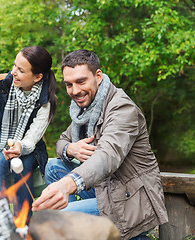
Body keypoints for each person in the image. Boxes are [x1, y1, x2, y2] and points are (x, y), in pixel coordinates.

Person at [32, 49, 168, 240]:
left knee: (58, 219)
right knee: (54, 166)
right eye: (69, 84)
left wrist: (67, 184)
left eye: (81, 81)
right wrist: (70, 148)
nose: (75, 91)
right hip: (105, 189)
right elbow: (62, 139)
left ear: (98, 76)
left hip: (130, 202)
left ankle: (103, 232)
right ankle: (80, 231)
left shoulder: (122, 108)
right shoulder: (86, 109)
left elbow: (106, 157)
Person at [0, 46, 57, 218]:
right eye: (14, 66)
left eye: (20, 70)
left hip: (29, 149)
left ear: (37, 77)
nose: (13, 72)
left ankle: (23, 225)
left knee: (22, 165)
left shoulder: (45, 102)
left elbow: (32, 138)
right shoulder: (5, 84)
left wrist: (20, 146)